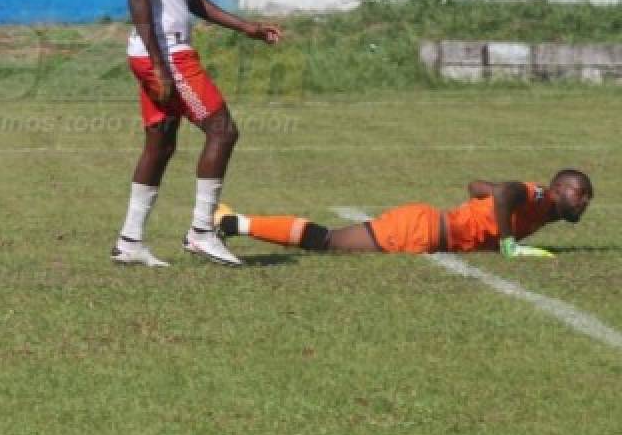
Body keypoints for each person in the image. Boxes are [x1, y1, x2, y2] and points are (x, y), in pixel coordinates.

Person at [114, 0, 282, 268]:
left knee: (161, 143)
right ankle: (202, 232)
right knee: (222, 131)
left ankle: (130, 240)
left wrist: (246, 28)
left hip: (158, 52)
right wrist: (159, 63)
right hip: (166, 54)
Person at [214, 168, 593, 257]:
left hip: (424, 224)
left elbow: (478, 187)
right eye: (580, 194)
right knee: (328, 241)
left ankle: (233, 220)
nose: (584, 202)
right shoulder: (541, 196)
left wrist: (489, 206)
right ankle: (232, 222)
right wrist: (508, 243)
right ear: (559, 188)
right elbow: (510, 191)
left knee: (329, 241)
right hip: (420, 230)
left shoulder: (544, 212)